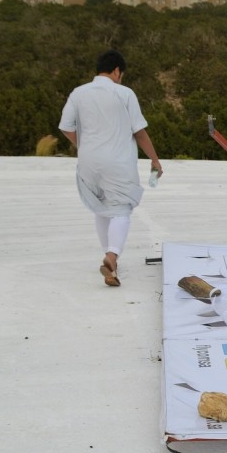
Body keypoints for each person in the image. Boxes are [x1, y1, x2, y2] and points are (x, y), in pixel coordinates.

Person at [59, 50, 163, 287]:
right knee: (121, 208)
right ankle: (112, 256)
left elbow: (65, 127)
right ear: (117, 70)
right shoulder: (124, 93)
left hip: (87, 160)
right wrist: (155, 159)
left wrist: (83, 145)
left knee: (100, 207)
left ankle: (111, 263)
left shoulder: (78, 93)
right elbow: (139, 131)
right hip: (117, 162)